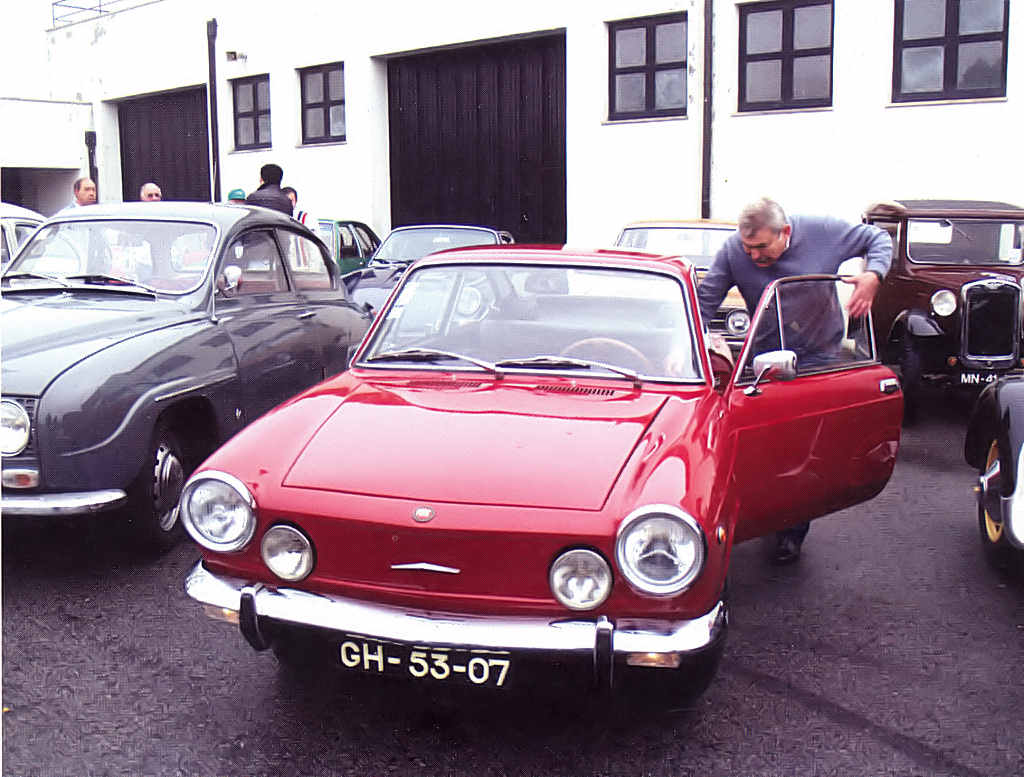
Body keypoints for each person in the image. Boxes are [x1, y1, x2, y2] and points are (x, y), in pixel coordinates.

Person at [698, 197, 893, 565]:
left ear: (785, 232)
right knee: (758, 440)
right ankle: (753, 515)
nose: (753, 256)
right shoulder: (734, 251)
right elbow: (706, 301)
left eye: (761, 247)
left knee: (804, 446)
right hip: (766, 353)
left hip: (818, 355)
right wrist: (687, 345)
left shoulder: (823, 231)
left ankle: (792, 528)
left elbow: (878, 239)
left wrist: (873, 275)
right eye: (748, 248)